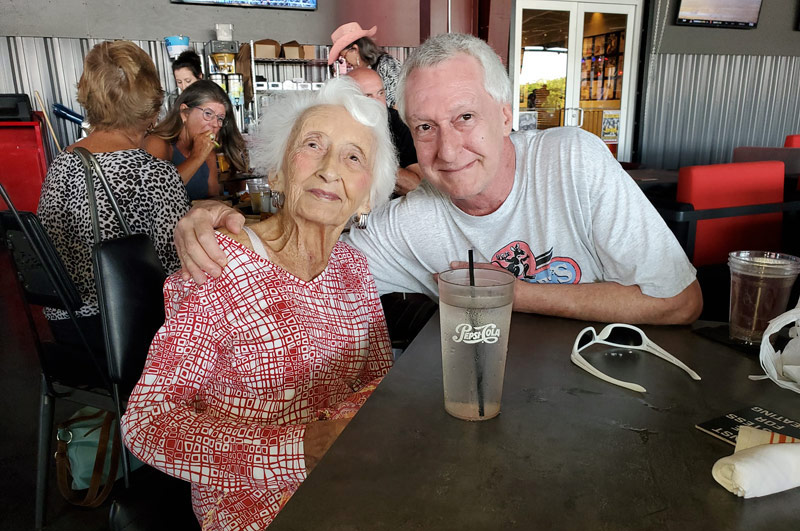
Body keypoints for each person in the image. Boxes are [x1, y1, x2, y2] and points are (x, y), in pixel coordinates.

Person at [175, 33, 703, 326]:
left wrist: (510, 294)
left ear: (504, 115)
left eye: (465, 117)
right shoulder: (411, 223)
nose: (447, 150)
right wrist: (218, 226)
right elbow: (300, 264)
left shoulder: (572, 161)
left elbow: (680, 301)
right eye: (425, 127)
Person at [121, 77, 396, 531]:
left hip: (351, 480)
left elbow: (378, 380)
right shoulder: (219, 264)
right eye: (312, 146)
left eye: (354, 157)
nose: (330, 168)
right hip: (254, 507)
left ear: (367, 198)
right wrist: (302, 448)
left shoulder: (353, 268)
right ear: (277, 170)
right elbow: (148, 424)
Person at [38, 40, 190, 352]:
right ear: (152, 106)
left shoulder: (61, 163)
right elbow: (178, 270)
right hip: (127, 332)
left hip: (66, 331)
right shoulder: (155, 173)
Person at [145, 80, 247, 200]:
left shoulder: (208, 151)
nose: (215, 124)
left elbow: (213, 198)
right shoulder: (158, 143)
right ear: (185, 113)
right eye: (208, 114)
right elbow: (156, 192)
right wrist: (197, 156)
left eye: (220, 118)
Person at [346, 67, 421, 196]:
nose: (378, 103)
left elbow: (416, 186)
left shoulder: (396, 122)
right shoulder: (338, 124)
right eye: (368, 96)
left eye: (380, 93)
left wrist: (374, 163)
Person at [328, 21, 402, 108]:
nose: (346, 61)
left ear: (355, 49)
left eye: (344, 56)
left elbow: (398, 103)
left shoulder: (387, 63)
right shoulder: (362, 70)